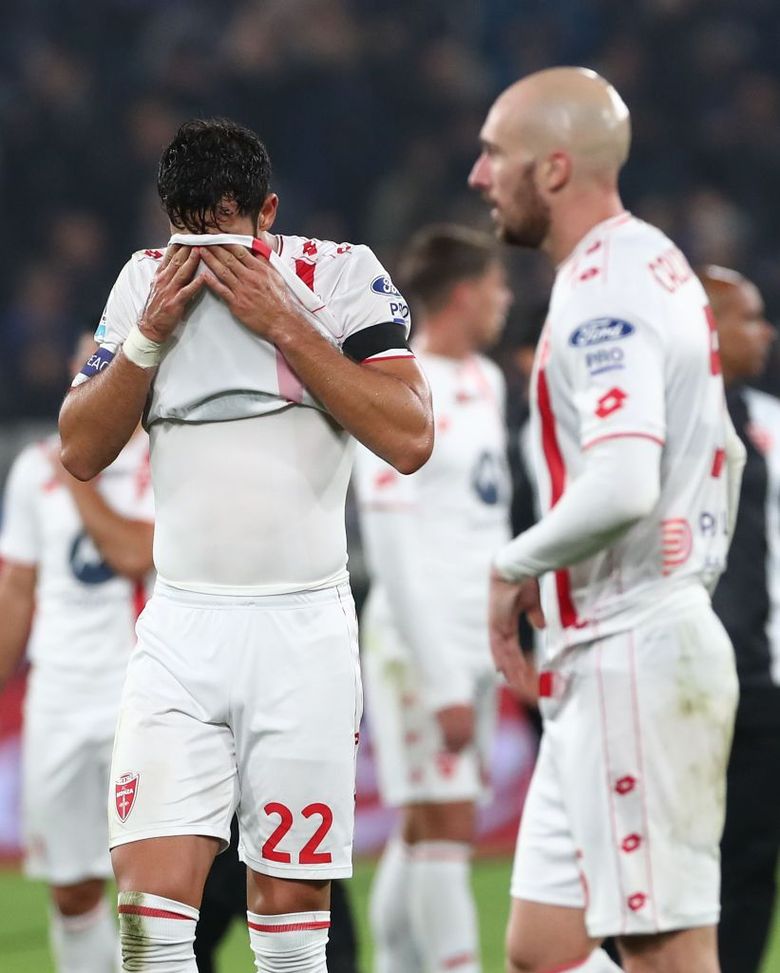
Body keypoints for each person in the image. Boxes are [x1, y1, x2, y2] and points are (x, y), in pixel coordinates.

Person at [59, 117, 434, 973]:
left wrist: (287, 327)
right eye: (184, 236)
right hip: (181, 632)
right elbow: (80, 449)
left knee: (293, 933)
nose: (203, 263)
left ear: (267, 213)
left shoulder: (339, 277)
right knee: (149, 925)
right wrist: (149, 335)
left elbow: (411, 436)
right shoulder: (144, 284)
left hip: (301, 631)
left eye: (221, 234)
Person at [468, 67, 745, 973]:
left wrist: (514, 564)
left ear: (551, 170)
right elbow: (722, 456)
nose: (478, 176)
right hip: (603, 654)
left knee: (665, 950)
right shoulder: (646, 260)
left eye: (492, 155)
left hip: (636, 651)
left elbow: (624, 480)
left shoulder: (606, 291)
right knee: (545, 948)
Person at [353, 224, 514, 973]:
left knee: (430, 822)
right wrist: (441, 674)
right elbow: (392, 545)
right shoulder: (394, 388)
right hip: (417, 641)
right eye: (496, 287)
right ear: (462, 294)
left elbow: (484, 515)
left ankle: (393, 964)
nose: (505, 300)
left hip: (472, 628)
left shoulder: (487, 379)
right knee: (446, 820)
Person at [0, 332, 154, 973]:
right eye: (83, 363)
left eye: (105, 363)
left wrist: (76, 468)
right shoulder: (32, 467)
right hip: (59, 700)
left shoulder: (162, 456)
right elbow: (15, 591)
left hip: (141, 698)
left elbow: (132, 552)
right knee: (72, 889)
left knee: (147, 887)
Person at [697, 266, 780, 973]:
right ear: (711, 329)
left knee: (753, 856)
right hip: (681, 670)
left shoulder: (773, 423)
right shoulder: (661, 418)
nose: (767, 331)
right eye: (751, 318)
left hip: (762, 676)